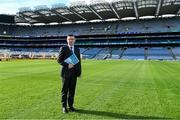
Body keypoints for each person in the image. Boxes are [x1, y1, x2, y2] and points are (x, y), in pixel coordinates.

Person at [57, 34, 81, 113]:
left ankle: (71, 106)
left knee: (72, 91)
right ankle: (64, 107)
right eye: (69, 39)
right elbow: (59, 60)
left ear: (75, 40)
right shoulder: (63, 48)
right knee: (65, 91)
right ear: (67, 40)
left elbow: (78, 62)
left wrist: (79, 72)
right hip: (65, 73)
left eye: (72, 39)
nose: (71, 41)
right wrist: (68, 65)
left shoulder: (77, 49)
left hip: (74, 73)